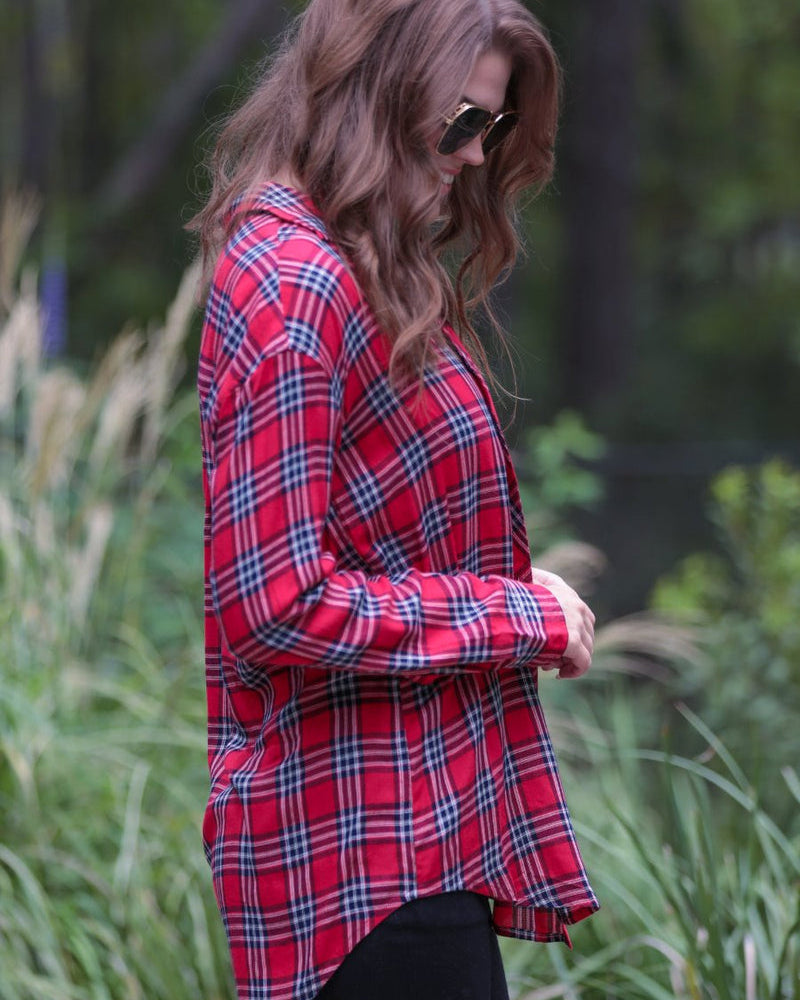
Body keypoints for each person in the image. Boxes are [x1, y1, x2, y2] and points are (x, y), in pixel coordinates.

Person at [190, 1, 599, 998]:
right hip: (358, 877)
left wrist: (518, 589)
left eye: (491, 129)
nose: (472, 155)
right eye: (462, 119)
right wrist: (514, 615)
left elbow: (360, 545)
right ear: (378, 87)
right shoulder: (296, 284)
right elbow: (274, 604)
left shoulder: (347, 266)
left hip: (405, 851)